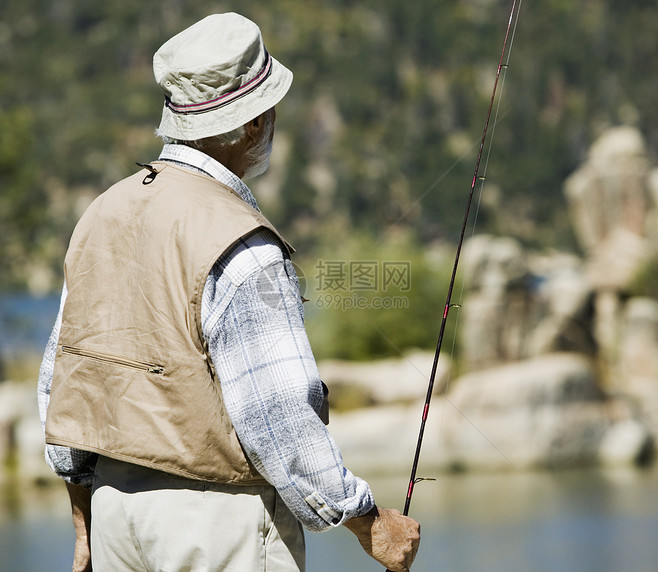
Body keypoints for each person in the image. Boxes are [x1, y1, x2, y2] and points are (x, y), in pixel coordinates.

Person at [37, 12, 420, 572]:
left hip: (115, 514)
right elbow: (279, 416)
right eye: (269, 108)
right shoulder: (242, 245)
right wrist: (369, 522)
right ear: (253, 124)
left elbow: (62, 390)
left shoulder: (101, 215)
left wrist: (86, 521)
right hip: (218, 527)